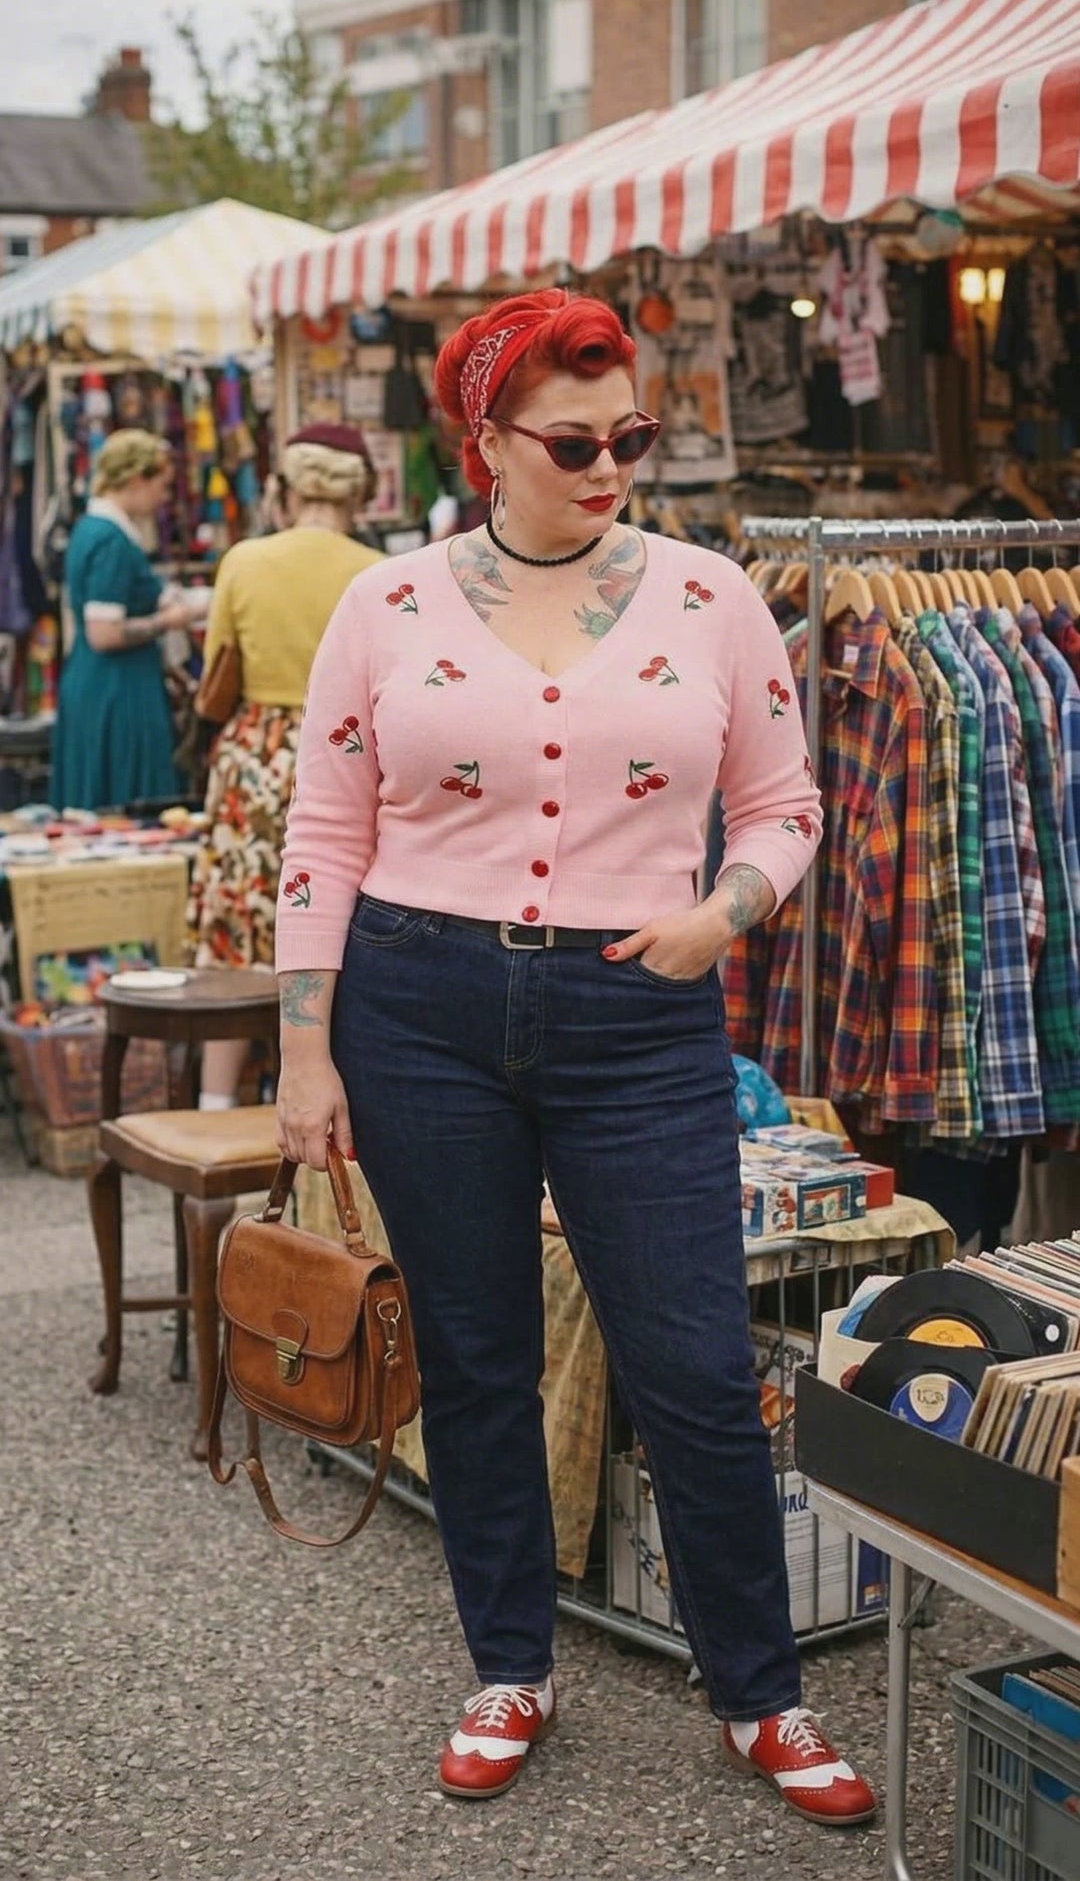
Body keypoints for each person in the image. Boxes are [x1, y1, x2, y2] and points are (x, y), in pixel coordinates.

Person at [273, 290, 876, 1827]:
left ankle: (762, 1688)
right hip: (413, 1007)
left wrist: (722, 912)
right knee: (478, 1358)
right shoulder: (384, 607)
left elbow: (788, 804)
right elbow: (326, 832)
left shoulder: (712, 593)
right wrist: (302, 1048)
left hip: (638, 1012)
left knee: (687, 1355)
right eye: (576, 440)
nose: (613, 465)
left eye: (635, 436)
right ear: (484, 441)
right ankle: (507, 1663)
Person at [188, 422, 382, 1111]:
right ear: (358, 492)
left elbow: (219, 666)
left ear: (286, 487)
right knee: (331, 925)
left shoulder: (244, 561)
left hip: (256, 757)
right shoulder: (377, 571)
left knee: (239, 926)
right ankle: (322, 1090)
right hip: (348, 753)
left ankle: (217, 1100)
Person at [50, 430, 201, 812]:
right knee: (124, 798)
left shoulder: (91, 529)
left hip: (99, 681)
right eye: (161, 486)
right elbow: (105, 632)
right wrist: (169, 620)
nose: (163, 498)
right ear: (136, 480)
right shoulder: (111, 540)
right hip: (117, 689)